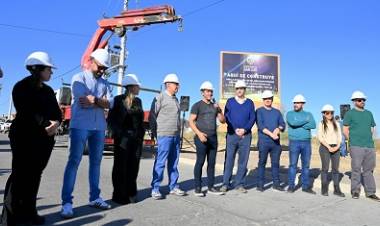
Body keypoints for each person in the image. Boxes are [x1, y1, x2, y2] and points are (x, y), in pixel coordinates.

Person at [1, 51, 61, 225]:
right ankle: (8, 218)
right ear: (38, 69)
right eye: (49, 69)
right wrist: (45, 124)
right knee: (20, 175)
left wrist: (56, 124)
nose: (51, 72)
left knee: (35, 175)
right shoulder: (21, 87)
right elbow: (27, 112)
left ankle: (29, 213)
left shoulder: (49, 90)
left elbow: (57, 113)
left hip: (44, 139)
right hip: (24, 137)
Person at [60, 48, 113, 218]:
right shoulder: (78, 78)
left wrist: (95, 100)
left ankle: (95, 197)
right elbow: (83, 101)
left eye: (105, 68)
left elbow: (110, 103)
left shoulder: (106, 83)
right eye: (100, 66)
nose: (102, 70)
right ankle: (67, 202)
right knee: (74, 161)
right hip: (80, 126)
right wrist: (101, 102)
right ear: (91, 61)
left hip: (99, 128)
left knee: (96, 163)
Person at [108, 74, 145, 204]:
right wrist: (119, 134)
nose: (139, 87)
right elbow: (111, 120)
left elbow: (140, 120)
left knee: (134, 166)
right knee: (120, 166)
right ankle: (118, 194)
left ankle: (131, 192)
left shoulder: (138, 101)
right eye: (137, 85)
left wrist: (140, 135)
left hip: (136, 139)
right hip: (123, 138)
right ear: (130, 87)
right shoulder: (118, 100)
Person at [150, 73, 185, 199]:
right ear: (168, 84)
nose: (178, 86)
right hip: (164, 135)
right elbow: (152, 116)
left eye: (178, 84)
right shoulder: (160, 97)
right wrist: (156, 134)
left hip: (175, 136)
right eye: (176, 84)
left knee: (174, 163)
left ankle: (173, 186)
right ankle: (155, 188)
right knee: (160, 162)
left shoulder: (176, 99)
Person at [189, 81, 226, 197]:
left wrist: (219, 110)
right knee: (200, 162)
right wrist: (199, 134)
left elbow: (223, 120)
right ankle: (198, 187)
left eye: (211, 91)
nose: (210, 93)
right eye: (207, 91)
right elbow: (191, 121)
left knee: (212, 163)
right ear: (202, 93)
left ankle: (211, 187)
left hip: (213, 138)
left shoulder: (215, 106)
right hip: (201, 138)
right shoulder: (197, 105)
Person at [343, 91, 380, 201]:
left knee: (369, 170)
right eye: (359, 100)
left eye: (364, 100)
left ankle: (370, 192)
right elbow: (345, 129)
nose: (362, 101)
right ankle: (355, 191)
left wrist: (368, 138)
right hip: (356, 145)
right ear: (354, 101)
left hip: (369, 145)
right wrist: (352, 140)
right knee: (356, 169)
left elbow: (372, 128)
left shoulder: (369, 113)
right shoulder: (350, 113)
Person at [221, 80, 256, 193]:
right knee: (229, 159)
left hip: (246, 136)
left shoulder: (250, 102)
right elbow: (227, 116)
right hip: (232, 134)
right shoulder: (230, 101)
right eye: (237, 88)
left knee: (243, 161)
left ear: (245, 90)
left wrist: (245, 130)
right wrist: (236, 129)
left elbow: (252, 118)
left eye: (242, 88)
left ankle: (239, 184)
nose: (239, 90)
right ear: (235, 90)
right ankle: (225, 183)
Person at [286, 94, 316, 194]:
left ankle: (305, 186)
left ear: (302, 104)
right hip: (294, 142)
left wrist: (299, 123)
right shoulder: (290, 113)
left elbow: (313, 125)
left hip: (306, 142)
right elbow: (292, 123)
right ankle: (291, 186)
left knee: (306, 166)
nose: (296, 104)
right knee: (293, 165)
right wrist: (305, 122)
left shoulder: (309, 114)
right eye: (295, 102)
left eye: (298, 103)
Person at [256, 90, 285, 192]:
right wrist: (272, 134)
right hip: (264, 142)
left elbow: (282, 124)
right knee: (262, 163)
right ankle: (260, 185)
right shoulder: (259, 111)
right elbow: (260, 126)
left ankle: (276, 184)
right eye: (265, 99)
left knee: (275, 164)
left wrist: (279, 128)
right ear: (263, 100)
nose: (267, 100)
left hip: (275, 144)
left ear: (272, 99)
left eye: (269, 98)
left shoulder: (277, 112)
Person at [317, 104, 345, 197]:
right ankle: (324, 188)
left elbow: (340, 137)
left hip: (336, 148)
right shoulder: (321, 124)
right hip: (325, 148)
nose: (330, 114)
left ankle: (337, 189)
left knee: (335, 169)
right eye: (328, 113)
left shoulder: (336, 124)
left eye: (331, 113)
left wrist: (337, 146)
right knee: (325, 168)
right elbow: (320, 137)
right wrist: (328, 147)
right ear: (324, 114)